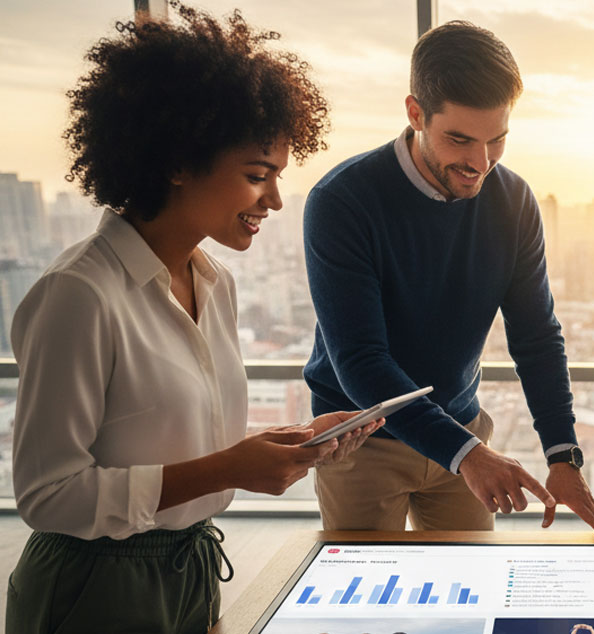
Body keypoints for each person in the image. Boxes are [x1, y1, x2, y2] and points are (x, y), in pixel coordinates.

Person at [6, 4, 379, 632]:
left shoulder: (215, 282)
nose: (276, 200)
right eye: (257, 175)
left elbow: (185, 438)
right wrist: (231, 467)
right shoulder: (80, 294)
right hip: (91, 587)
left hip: (191, 569)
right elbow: (47, 495)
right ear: (178, 161)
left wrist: (295, 443)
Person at [303, 20, 594, 539]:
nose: (480, 163)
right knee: (364, 609)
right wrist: (467, 455)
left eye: (497, 141)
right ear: (415, 113)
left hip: (464, 429)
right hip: (362, 442)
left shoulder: (513, 201)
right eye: (459, 139)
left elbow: (537, 336)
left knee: (470, 600)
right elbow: (359, 358)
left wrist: (562, 455)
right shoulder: (342, 201)